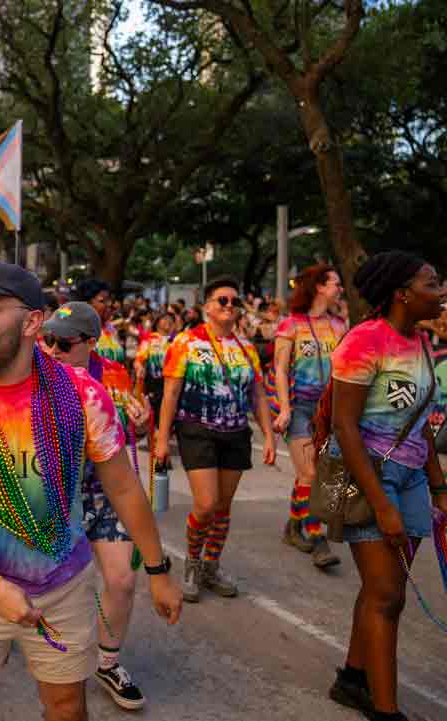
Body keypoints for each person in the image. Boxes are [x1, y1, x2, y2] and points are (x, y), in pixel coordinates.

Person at [0, 263, 181, 721]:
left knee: (68, 707)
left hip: (62, 583)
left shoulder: (82, 395)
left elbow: (124, 488)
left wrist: (158, 569)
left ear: (32, 322)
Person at [325, 252, 447, 721]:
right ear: (402, 293)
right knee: (387, 596)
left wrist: (438, 486)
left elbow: (421, 423)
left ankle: (353, 679)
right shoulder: (364, 341)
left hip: (412, 474)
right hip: (368, 473)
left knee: (383, 589)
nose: (441, 291)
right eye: (432, 283)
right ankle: (386, 709)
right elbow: (346, 428)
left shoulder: (417, 341)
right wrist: (383, 504)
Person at [42, 301, 154, 711]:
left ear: (91, 342)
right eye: (46, 339)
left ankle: (108, 662)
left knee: (122, 580)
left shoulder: (116, 375)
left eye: (62, 342)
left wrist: (142, 424)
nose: (51, 349)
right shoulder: (34, 372)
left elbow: (130, 436)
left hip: (105, 492)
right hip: (53, 491)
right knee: (40, 583)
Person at [155, 277, 276, 601]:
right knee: (206, 505)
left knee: (222, 507)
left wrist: (269, 437)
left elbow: (258, 395)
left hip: (236, 432)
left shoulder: (246, 348)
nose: (229, 306)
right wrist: (161, 438)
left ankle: (212, 565)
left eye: (234, 302)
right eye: (222, 300)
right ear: (207, 306)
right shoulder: (186, 342)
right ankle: (193, 561)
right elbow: (171, 392)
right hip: (197, 430)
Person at [273, 265, 347, 568]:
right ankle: (318, 540)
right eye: (335, 284)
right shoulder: (290, 325)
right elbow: (279, 368)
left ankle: (293, 526)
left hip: (329, 410)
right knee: (310, 475)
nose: (340, 289)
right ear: (319, 287)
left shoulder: (340, 326)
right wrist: (285, 408)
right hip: (301, 406)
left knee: (311, 474)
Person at [75, 279, 124, 364]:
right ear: (87, 304)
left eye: (108, 300)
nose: (108, 304)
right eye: (102, 301)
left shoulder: (110, 328)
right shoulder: (78, 331)